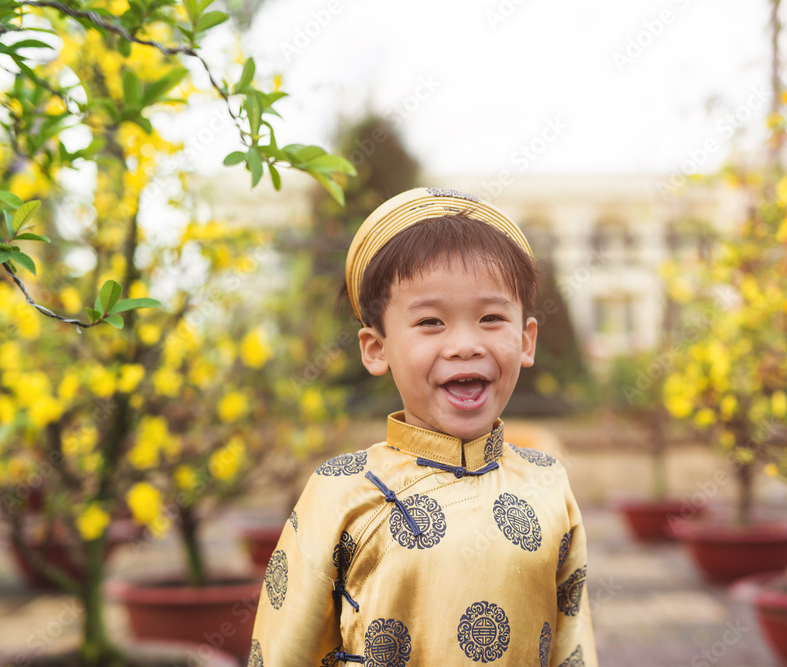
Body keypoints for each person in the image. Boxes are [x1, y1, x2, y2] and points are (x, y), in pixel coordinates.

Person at [248, 187, 596, 666]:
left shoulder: (549, 484)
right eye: (431, 322)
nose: (465, 345)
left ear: (526, 339)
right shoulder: (341, 493)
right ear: (376, 348)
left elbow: (572, 646)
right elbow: (282, 654)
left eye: (491, 318)